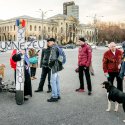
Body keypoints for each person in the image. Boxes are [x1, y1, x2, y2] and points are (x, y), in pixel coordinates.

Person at [47, 38, 63, 102]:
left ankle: (54, 96)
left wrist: (49, 64)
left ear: (53, 42)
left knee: (53, 81)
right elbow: (61, 57)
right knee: (57, 81)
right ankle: (58, 94)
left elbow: (53, 58)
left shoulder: (53, 48)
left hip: (54, 66)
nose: (48, 43)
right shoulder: (58, 47)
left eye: (49, 42)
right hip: (58, 66)